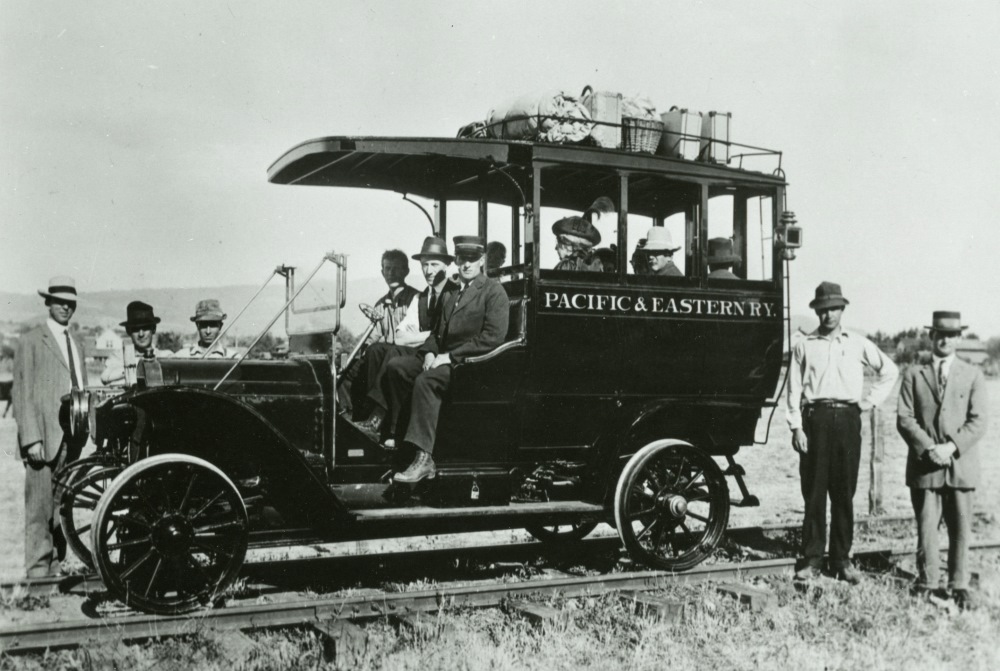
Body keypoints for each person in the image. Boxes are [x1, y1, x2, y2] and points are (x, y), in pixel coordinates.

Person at [787, 281, 898, 584]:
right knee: (813, 493)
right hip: (815, 420)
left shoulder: (857, 343)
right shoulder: (804, 345)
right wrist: (796, 427)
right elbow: (793, 390)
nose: (829, 315)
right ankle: (811, 560)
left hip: (849, 420)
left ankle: (841, 560)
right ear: (817, 312)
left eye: (834, 309)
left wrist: (868, 402)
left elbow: (890, 371)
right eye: (823, 310)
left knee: (843, 493)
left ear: (842, 310)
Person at [383, 235, 510, 483]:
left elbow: (492, 338)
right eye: (462, 258)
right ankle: (402, 440)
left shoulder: (494, 292)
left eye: (472, 259)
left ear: (482, 260)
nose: (466, 265)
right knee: (397, 367)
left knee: (426, 381)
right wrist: (430, 352)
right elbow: (437, 333)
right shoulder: (451, 292)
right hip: (444, 359)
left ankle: (424, 458)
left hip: (474, 366)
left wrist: (449, 356)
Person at [897, 311, 988, 609]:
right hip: (925, 466)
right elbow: (905, 418)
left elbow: (979, 421)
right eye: (940, 334)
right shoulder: (913, 373)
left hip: (960, 465)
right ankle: (927, 583)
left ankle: (958, 584)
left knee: (960, 528)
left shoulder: (972, 374)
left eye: (951, 335)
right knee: (926, 528)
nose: (945, 339)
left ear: (959, 338)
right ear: (932, 337)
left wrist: (950, 447)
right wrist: (929, 448)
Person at [12, 276, 89, 577]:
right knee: (39, 510)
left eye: (70, 304)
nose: (65, 308)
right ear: (48, 303)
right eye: (59, 302)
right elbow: (22, 391)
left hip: (72, 438)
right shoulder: (31, 340)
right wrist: (31, 440)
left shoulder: (77, 343)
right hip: (43, 439)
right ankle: (37, 576)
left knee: (60, 509)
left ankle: (56, 568)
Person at [356, 237, 457, 437]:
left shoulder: (454, 294)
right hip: (422, 349)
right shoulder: (421, 298)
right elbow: (401, 337)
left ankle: (381, 421)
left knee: (394, 358)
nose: (429, 270)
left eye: (434, 265)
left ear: (446, 266)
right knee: (376, 350)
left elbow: (451, 334)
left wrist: (432, 338)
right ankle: (371, 417)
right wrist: (433, 334)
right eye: (425, 265)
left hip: (441, 356)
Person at [342, 250, 421, 419]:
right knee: (346, 371)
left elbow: (411, 336)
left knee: (376, 351)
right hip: (380, 354)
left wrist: (384, 341)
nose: (391, 273)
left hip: (402, 355)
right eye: (387, 269)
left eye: (396, 269)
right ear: (382, 272)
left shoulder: (415, 300)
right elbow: (372, 336)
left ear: (406, 271)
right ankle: (346, 415)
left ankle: (374, 413)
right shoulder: (380, 305)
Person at [101, 301, 173, 386]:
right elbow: (105, 377)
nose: (141, 334)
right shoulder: (118, 358)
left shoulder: (165, 357)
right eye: (136, 329)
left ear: (153, 329)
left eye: (145, 328)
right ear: (129, 331)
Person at [552, 196, 614, 272]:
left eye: (558, 243)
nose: (556, 248)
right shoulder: (596, 265)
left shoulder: (566, 265)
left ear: (567, 245)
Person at [173, 299, 239, 358]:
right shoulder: (182, 356)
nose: (208, 331)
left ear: (220, 326)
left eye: (213, 325)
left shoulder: (232, 357)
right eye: (204, 325)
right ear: (197, 326)